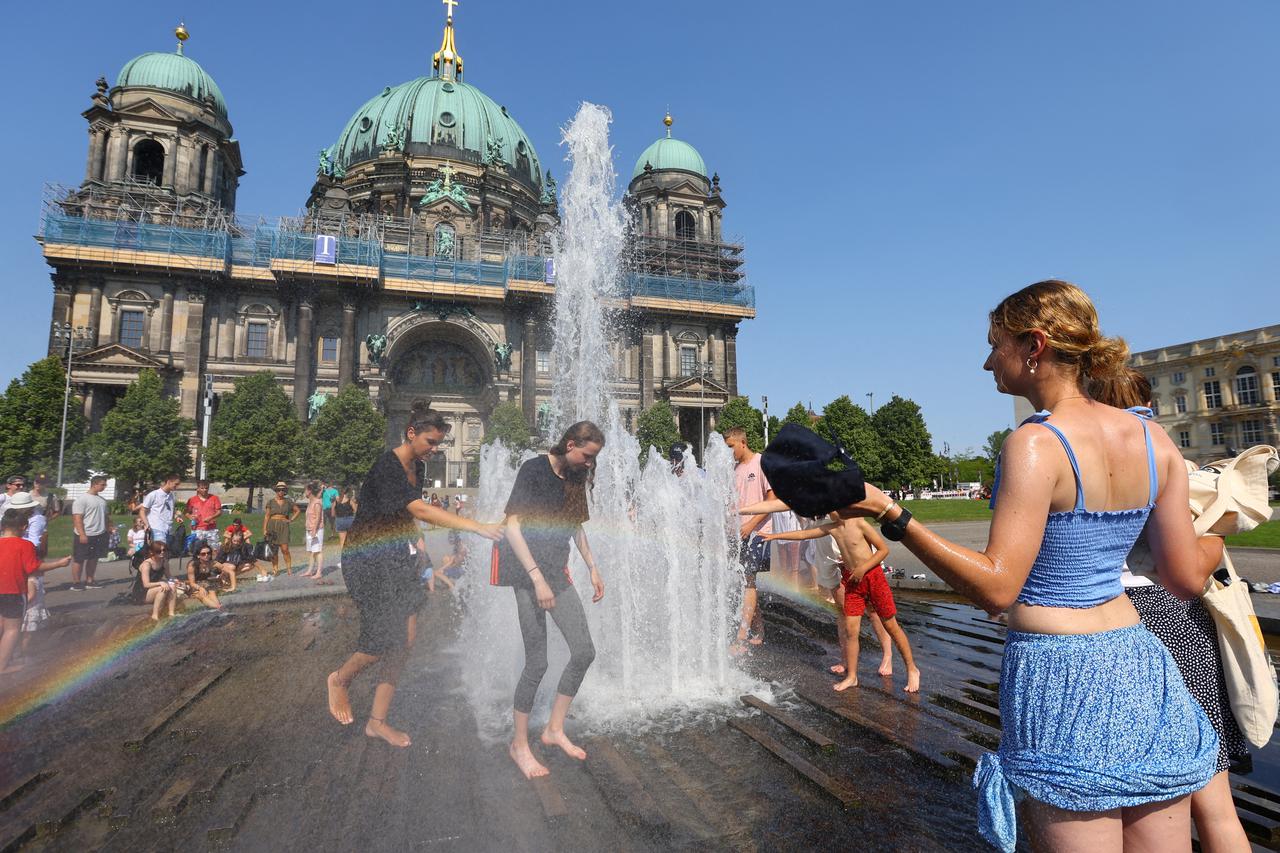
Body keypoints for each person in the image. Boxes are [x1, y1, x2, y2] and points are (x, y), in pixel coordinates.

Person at [826, 281, 1216, 852]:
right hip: (1140, 663)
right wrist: (1219, 540)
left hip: (1063, 676)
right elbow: (1185, 577)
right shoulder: (1154, 438)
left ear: (1033, 345)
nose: (987, 361)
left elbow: (997, 588)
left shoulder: (1035, 443)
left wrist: (891, 512)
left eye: (995, 344)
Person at [1096, 368, 1252, 853]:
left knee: (1129, 798)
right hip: (1170, 619)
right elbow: (1185, 572)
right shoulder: (1162, 460)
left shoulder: (1079, 460)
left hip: (1104, 619)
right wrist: (1219, 528)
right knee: (1212, 800)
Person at [326, 401, 503, 748]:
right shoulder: (387, 466)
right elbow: (420, 508)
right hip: (368, 561)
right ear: (411, 433)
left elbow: (408, 518)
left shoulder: (417, 468)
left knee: (404, 643)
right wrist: (477, 526)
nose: (435, 450)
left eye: (438, 444)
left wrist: (421, 553)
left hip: (398, 558)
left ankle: (377, 722)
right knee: (380, 640)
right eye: (431, 442)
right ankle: (339, 679)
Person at [494, 421, 605, 779]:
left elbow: (576, 526)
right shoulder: (533, 469)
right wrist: (536, 578)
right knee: (537, 662)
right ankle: (519, 745)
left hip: (555, 573)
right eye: (587, 455)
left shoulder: (574, 477)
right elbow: (511, 526)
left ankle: (554, 729)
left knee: (584, 650)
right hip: (525, 574)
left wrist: (592, 567)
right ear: (571, 444)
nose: (589, 463)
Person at [757, 506, 920, 692]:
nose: (828, 510)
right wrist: (774, 536)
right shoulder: (832, 528)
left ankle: (912, 669)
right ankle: (852, 676)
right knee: (851, 629)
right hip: (852, 581)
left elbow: (883, 550)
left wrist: (862, 568)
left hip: (873, 578)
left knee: (891, 625)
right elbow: (804, 535)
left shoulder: (859, 523)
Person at [0, 507, 70, 674]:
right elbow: (33, 568)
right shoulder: (25, 545)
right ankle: (1, 666)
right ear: (24, 527)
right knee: (12, 629)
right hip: (14, 592)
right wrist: (59, 564)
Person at [724, 427, 774, 653]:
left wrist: (751, 524)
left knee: (749, 582)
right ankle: (759, 629)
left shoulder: (761, 463)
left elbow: (772, 500)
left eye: (730, 447)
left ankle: (741, 636)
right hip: (739, 533)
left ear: (742, 442)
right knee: (746, 583)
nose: (728, 452)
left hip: (758, 532)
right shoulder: (735, 469)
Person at [70, 474, 111, 590]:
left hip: (99, 533)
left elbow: (106, 516)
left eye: (105, 485)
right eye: (102, 485)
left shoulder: (102, 500)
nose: (104, 487)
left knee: (94, 558)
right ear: (95, 484)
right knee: (79, 559)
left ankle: (90, 580)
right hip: (85, 534)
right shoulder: (82, 499)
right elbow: (77, 518)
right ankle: (76, 582)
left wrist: (109, 528)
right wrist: (82, 534)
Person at [131, 540, 177, 621]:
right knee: (162, 589)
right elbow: (146, 584)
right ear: (152, 552)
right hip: (141, 592)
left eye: (164, 550)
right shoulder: (147, 564)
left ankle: (171, 613)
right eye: (159, 551)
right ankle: (155, 616)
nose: (162, 552)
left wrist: (176, 581)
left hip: (153, 589)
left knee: (172, 586)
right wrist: (161, 583)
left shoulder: (164, 562)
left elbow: (169, 576)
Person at [263, 482, 298, 576]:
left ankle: (289, 568)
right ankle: (275, 569)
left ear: (285, 491)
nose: (281, 491)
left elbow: (297, 510)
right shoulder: (270, 501)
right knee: (274, 550)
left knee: (285, 549)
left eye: (283, 490)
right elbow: (266, 516)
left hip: (284, 526)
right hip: (272, 525)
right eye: (279, 490)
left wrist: (291, 519)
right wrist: (265, 529)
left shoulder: (288, 501)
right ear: (276, 491)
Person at [140, 475, 180, 557]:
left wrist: (176, 517)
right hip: (156, 527)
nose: (177, 486)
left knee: (165, 555)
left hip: (168, 529)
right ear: (168, 482)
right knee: (159, 553)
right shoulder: (154, 495)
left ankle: (162, 569)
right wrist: (146, 524)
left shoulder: (171, 496)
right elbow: (142, 511)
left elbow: (170, 510)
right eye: (175, 484)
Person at [185, 480, 223, 552]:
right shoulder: (192, 500)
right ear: (198, 489)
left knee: (214, 549)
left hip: (211, 528)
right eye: (202, 488)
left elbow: (219, 512)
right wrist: (190, 517)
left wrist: (211, 517)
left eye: (206, 488)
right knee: (197, 550)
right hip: (197, 528)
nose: (204, 490)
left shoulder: (214, 498)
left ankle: (213, 562)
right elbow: (186, 512)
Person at [183, 544, 224, 609]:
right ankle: (218, 607)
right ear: (198, 555)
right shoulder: (192, 565)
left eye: (208, 553)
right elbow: (192, 583)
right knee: (202, 595)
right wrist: (200, 588)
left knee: (212, 592)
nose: (206, 555)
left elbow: (225, 568)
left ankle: (218, 606)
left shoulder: (212, 562)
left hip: (206, 583)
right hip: (195, 585)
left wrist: (221, 576)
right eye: (203, 554)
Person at [300, 482, 326, 581]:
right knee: (311, 551)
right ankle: (309, 571)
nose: (304, 492)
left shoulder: (317, 502)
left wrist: (314, 530)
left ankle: (319, 572)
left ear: (310, 491)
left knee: (318, 551)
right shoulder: (311, 502)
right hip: (310, 529)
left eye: (305, 490)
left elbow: (318, 517)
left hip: (317, 530)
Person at [332, 487, 355, 569]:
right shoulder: (350, 501)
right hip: (350, 520)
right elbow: (355, 510)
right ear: (347, 493)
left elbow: (333, 514)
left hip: (340, 520)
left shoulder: (336, 501)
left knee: (342, 542)